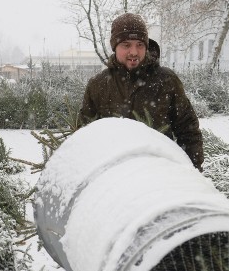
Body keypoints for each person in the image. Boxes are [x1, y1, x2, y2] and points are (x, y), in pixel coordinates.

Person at [79, 13, 203, 171]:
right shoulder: (98, 85)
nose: (134, 52)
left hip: (161, 175)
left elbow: (188, 131)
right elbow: (85, 136)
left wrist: (191, 173)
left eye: (139, 44)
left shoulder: (166, 81)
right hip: (112, 179)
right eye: (126, 45)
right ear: (115, 47)